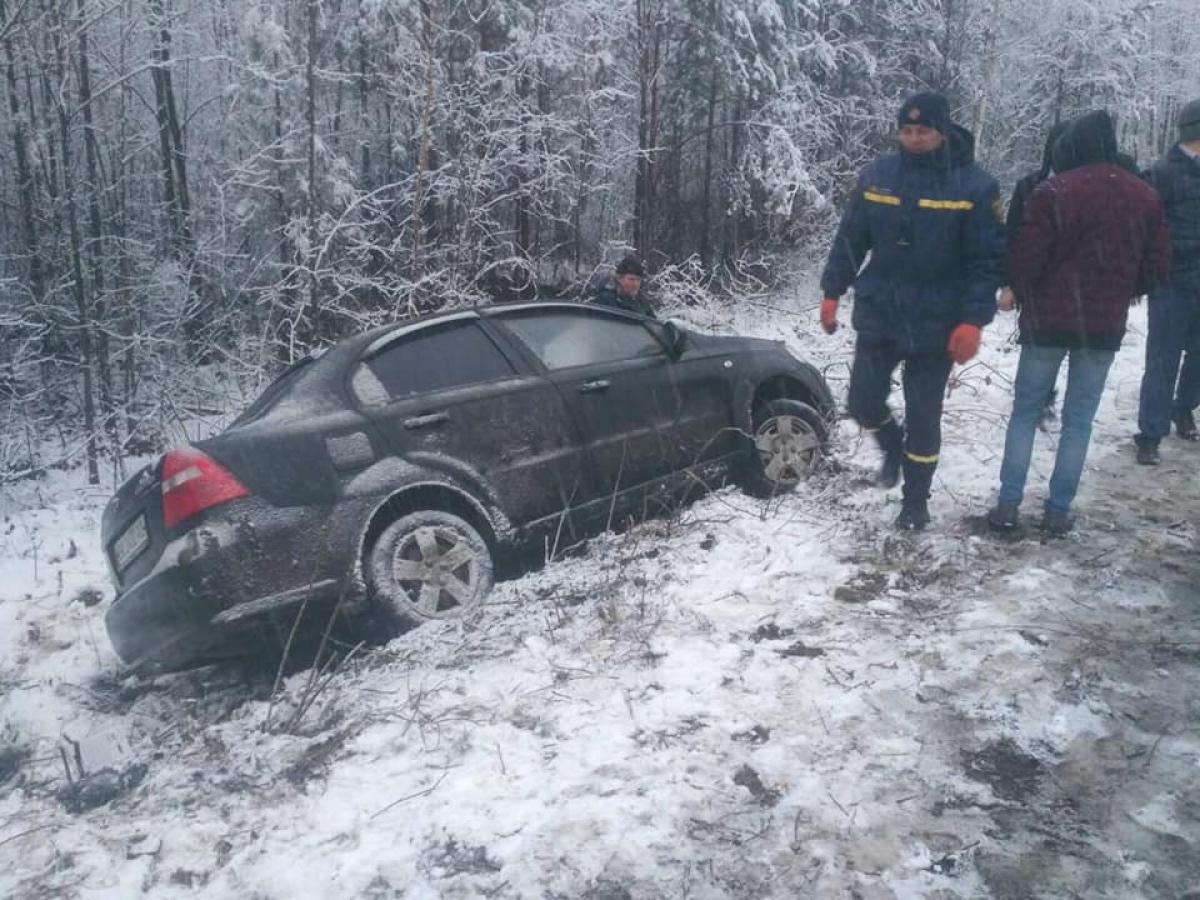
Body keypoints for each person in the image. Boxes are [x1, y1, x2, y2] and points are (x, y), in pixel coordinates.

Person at [820, 91, 1006, 531]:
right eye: (906, 130)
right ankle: (891, 443)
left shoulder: (975, 186)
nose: (914, 138)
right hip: (881, 312)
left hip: (937, 322)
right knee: (862, 402)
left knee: (924, 414)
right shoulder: (877, 176)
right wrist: (832, 290)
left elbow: (987, 262)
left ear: (941, 132)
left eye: (923, 131)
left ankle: (915, 501)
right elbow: (850, 239)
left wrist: (972, 320)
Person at [987, 110, 1170, 536]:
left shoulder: (1053, 191)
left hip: (1047, 321)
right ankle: (1057, 510)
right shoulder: (1143, 195)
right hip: (1103, 325)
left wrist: (1022, 290)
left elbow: (1026, 259)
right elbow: (1159, 266)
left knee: (1025, 411)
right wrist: (1124, 286)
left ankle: (1008, 504)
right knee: (1079, 419)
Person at [1134, 98, 1200, 465]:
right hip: (1172, 282)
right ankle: (1150, 433)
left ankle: (1184, 407)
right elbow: (1148, 229)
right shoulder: (1163, 173)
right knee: (1163, 358)